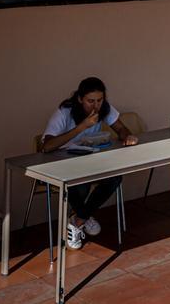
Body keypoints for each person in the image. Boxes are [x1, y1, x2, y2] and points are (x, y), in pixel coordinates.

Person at [41, 77, 137, 249]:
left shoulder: (104, 108)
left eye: (99, 100)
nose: (95, 105)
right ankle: (83, 216)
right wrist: (82, 126)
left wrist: (126, 136)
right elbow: (46, 146)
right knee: (81, 184)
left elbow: (121, 128)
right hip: (60, 164)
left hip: (88, 160)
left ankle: (78, 219)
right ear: (80, 99)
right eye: (90, 101)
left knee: (114, 177)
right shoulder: (65, 111)